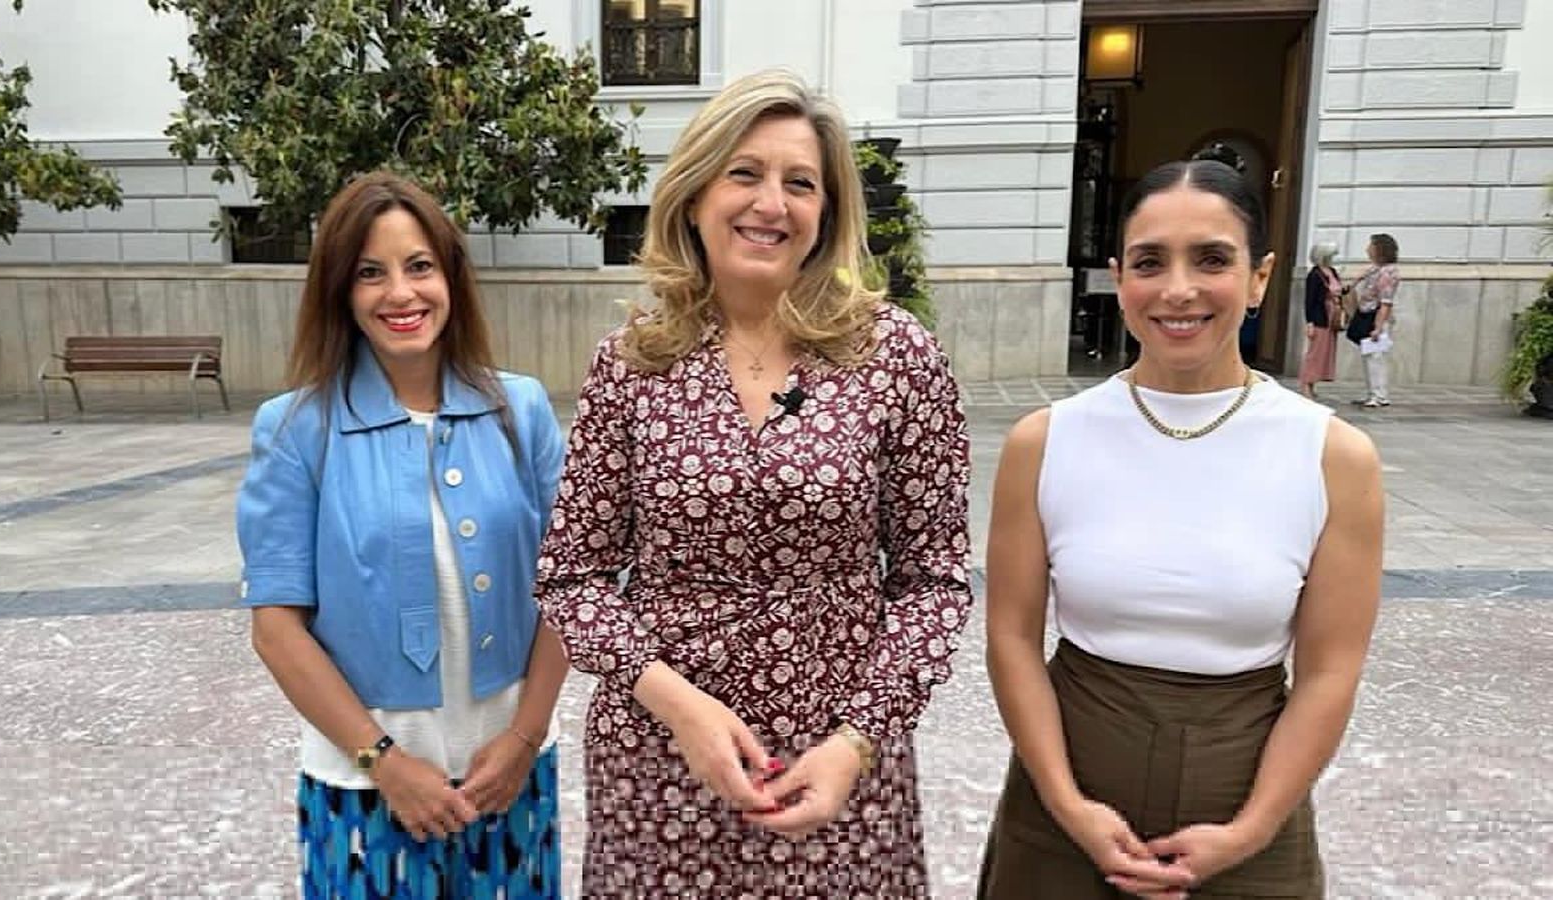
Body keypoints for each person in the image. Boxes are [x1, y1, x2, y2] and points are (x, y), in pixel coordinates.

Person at [534, 69, 972, 898]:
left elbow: (934, 582)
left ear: (826, 213)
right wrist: (680, 709)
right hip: (661, 758)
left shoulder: (895, 355)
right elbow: (573, 575)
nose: (771, 203)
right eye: (745, 173)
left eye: (799, 183)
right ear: (696, 195)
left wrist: (859, 742)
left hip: (838, 758)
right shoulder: (631, 362)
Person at [979, 160, 1384, 899]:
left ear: (1260, 278)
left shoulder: (1331, 456)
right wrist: (1066, 803)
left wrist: (1253, 830)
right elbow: (1010, 635)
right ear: (1117, 276)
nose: (1177, 289)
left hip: (1247, 796)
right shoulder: (1046, 442)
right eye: (1148, 262)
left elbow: (1330, 669)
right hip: (1068, 791)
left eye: (1212, 259)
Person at [236, 172, 567, 898]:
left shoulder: (522, 409)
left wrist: (523, 739)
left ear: (451, 276)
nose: (401, 293)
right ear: (341, 293)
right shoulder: (297, 430)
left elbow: (568, 591)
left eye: (420, 266)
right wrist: (385, 762)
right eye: (370, 273)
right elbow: (277, 629)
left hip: (506, 779)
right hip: (362, 790)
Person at [1345, 233, 1401, 408]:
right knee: (1368, 357)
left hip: (1376, 317)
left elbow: (1386, 302)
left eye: (1371, 246)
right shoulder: (1375, 269)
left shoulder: (1388, 273)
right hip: (1367, 313)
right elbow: (1358, 279)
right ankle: (1373, 393)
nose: (1367, 249)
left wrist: (1377, 327)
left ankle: (1379, 395)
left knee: (1375, 358)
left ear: (1380, 250)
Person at [1299, 242, 1343, 399]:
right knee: (1315, 352)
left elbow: (1339, 291)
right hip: (1320, 317)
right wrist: (1310, 322)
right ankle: (1305, 383)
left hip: (1332, 316)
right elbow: (1309, 300)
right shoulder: (1315, 275)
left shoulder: (1332, 272)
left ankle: (1313, 383)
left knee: (1325, 352)